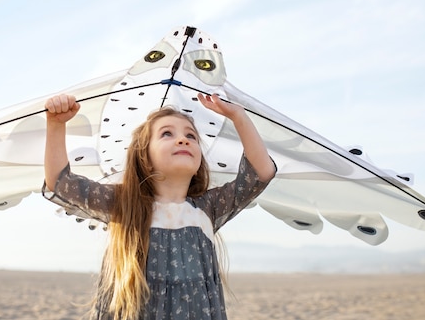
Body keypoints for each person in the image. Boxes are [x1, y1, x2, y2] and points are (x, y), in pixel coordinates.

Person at [43, 93, 277, 320]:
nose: (183, 139)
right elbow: (60, 183)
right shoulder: (124, 203)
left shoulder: (208, 207)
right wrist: (56, 125)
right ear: (145, 156)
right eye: (167, 133)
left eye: (191, 136)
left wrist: (239, 116)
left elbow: (260, 173)